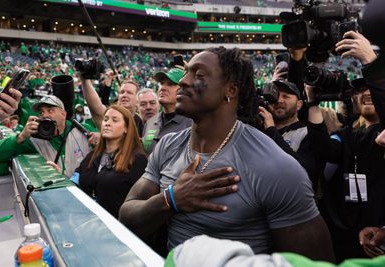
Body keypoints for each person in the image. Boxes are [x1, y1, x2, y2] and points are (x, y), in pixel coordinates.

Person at [120, 47, 334, 261]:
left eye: (199, 75)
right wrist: (171, 199)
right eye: (186, 72)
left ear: (230, 90)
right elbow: (127, 215)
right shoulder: (168, 145)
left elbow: (313, 263)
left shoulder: (274, 166)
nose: (184, 81)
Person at [305, 31, 385, 262]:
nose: (366, 93)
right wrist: (312, 102)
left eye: (371, 88)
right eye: (359, 90)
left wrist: (371, 63)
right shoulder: (346, 136)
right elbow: (322, 149)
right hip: (349, 235)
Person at [49, 105, 147, 218]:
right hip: (89, 224)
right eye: (105, 119)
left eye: (114, 120)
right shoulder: (92, 156)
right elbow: (75, 183)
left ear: (126, 128)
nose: (107, 123)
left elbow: (141, 203)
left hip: (119, 228)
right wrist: (60, 176)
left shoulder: (137, 159)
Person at [0, 95, 91, 177]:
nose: (45, 115)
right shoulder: (35, 137)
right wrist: (21, 136)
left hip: (85, 193)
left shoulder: (82, 129)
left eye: (50, 110)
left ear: (63, 114)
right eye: (41, 112)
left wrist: (100, 138)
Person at [258, 80, 322, 190]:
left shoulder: (307, 133)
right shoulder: (258, 132)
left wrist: (272, 131)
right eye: (275, 95)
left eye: (286, 96)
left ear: (299, 104)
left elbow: (305, 172)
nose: (279, 100)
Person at [142, 68, 192, 155]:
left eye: (170, 84)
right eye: (161, 83)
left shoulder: (192, 123)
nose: (163, 88)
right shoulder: (150, 122)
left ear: (183, 90)